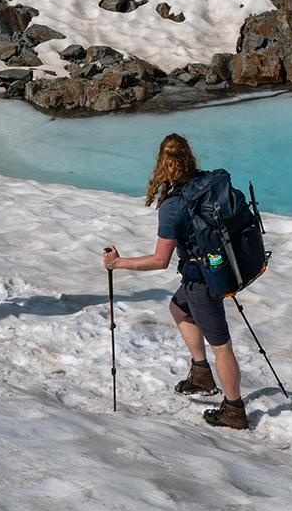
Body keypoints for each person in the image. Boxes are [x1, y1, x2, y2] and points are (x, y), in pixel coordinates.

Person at [103, 133, 248, 430]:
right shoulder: (207, 182)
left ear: (161, 164)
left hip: (202, 280)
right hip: (218, 269)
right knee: (178, 308)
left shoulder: (174, 205)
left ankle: (234, 410)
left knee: (221, 345)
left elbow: (160, 260)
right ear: (189, 157)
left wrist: (118, 263)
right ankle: (201, 374)